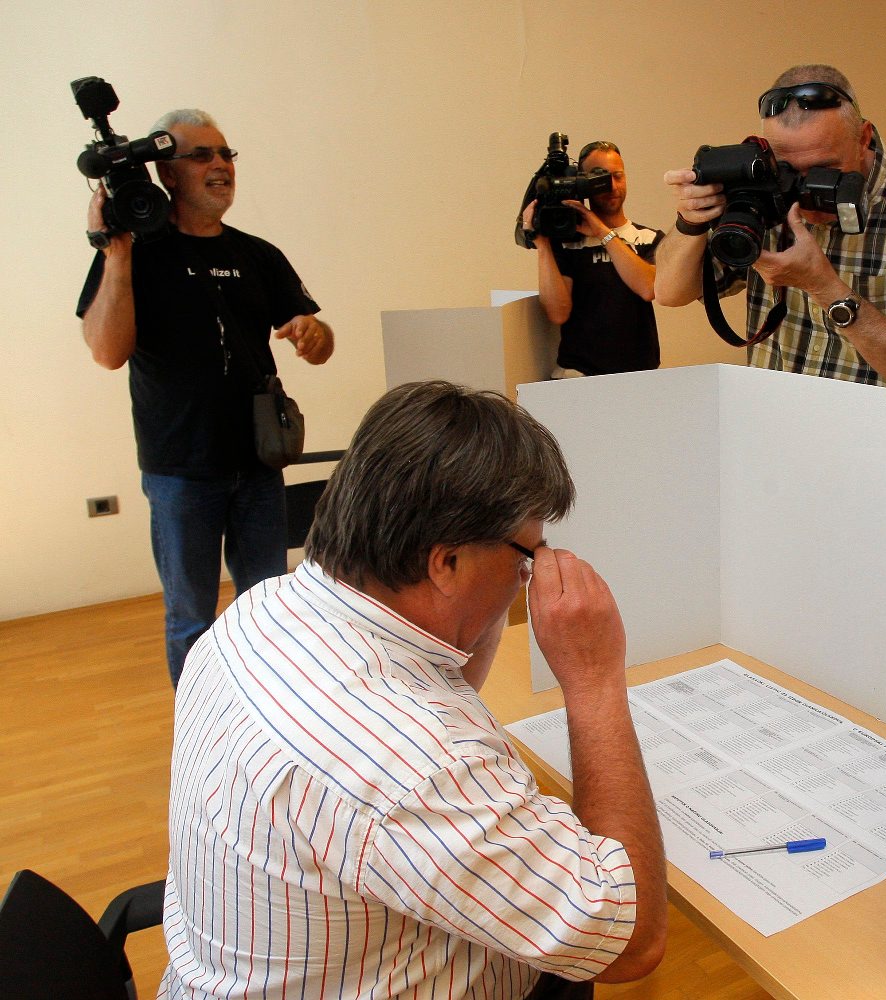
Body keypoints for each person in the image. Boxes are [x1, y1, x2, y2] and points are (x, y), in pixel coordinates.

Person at [158, 380, 668, 1000]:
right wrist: (594, 680)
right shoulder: (416, 764)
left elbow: (433, 684)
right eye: (526, 554)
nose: (530, 573)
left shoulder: (258, 610)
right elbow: (633, 939)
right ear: (444, 563)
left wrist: (486, 595)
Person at [76, 109, 334, 687]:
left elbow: (320, 344)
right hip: (179, 471)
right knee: (191, 618)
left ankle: (267, 724)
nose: (220, 166)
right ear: (166, 173)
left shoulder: (258, 255)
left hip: (259, 465)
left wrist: (314, 335)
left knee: (266, 609)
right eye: (201, 156)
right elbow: (106, 351)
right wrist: (116, 252)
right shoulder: (133, 255)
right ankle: (200, 739)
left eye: (225, 154)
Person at [655, 64, 886, 395]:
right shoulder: (759, 183)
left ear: (863, 138)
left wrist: (824, 287)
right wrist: (690, 221)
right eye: (788, 170)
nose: (804, 189)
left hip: (879, 432)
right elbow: (670, 293)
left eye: (825, 170)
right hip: (780, 421)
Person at [523, 140, 663, 377]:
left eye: (618, 176)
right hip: (579, 375)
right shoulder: (568, 242)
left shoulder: (648, 237)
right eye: (599, 177)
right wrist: (542, 244)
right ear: (582, 182)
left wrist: (602, 233)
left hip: (641, 375)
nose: (612, 186)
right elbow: (558, 313)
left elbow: (648, 287)